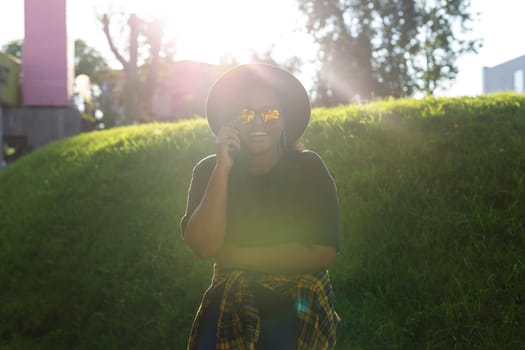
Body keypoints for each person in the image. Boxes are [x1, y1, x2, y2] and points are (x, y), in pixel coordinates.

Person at [180, 63, 341, 350]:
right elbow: (205, 247)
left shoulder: (309, 168)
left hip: (297, 298)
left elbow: (322, 252)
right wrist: (222, 168)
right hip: (230, 298)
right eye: (246, 113)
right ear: (232, 121)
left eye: (270, 113)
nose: (258, 122)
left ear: (284, 120)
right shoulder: (208, 170)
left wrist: (235, 256)